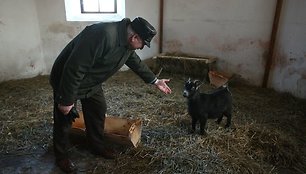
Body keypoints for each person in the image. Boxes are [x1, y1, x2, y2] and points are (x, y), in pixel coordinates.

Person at [49, 17, 172, 173]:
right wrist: (66, 100)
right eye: (143, 44)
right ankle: (62, 157)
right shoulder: (101, 35)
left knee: (98, 110)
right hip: (67, 79)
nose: (141, 48)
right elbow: (75, 67)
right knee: (64, 119)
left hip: (91, 82)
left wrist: (154, 80)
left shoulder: (126, 42)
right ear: (134, 37)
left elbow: (134, 60)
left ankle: (96, 146)